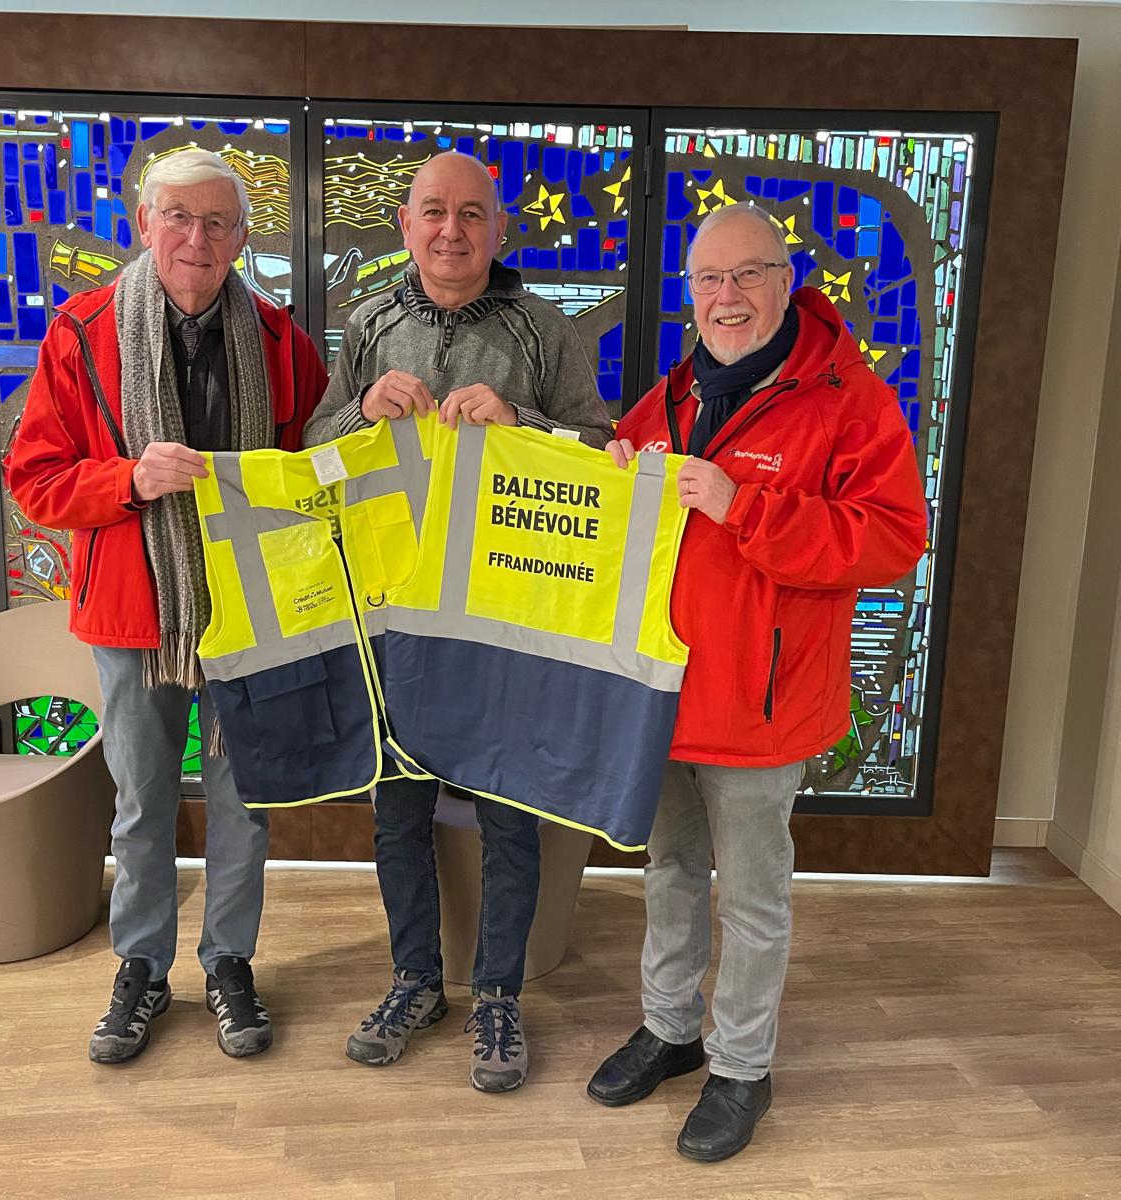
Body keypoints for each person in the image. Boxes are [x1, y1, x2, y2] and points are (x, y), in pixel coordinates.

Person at [586, 202, 927, 1159]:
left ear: (786, 282)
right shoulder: (671, 397)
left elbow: (893, 539)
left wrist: (746, 506)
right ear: (689, 292)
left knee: (752, 898)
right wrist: (613, 475)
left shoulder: (849, 400)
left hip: (764, 705)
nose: (726, 296)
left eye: (747, 275)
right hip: (667, 695)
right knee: (668, 872)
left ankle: (742, 1067)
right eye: (708, 279)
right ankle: (670, 1029)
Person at [5, 148, 327, 1065]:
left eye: (217, 221)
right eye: (178, 217)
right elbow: (34, 480)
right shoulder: (81, 331)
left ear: (241, 237)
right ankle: (142, 968)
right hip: (131, 617)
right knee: (142, 803)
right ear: (144, 224)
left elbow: (312, 470)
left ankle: (229, 961)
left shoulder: (281, 340)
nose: (197, 237)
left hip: (248, 613)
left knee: (246, 802)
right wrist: (130, 480)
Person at [303, 151, 614, 1093]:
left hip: (502, 618)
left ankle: (499, 995)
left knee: (508, 815)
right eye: (434, 211)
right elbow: (312, 448)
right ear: (406, 226)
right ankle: (414, 981)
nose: (452, 230)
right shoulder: (368, 324)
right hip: (393, 615)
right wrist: (360, 411)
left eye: (472, 213)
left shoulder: (543, 329)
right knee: (397, 811)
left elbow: (601, 449)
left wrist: (522, 421)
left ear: (498, 229)